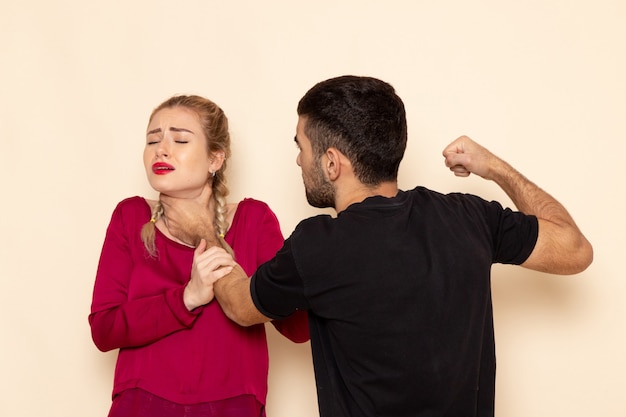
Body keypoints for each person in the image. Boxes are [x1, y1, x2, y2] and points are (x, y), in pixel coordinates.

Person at [162, 76, 593, 417]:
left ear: (332, 162)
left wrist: (205, 228)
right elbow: (575, 249)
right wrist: (492, 166)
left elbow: (240, 304)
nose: (298, 160)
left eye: (303, 148)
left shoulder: (317, 247)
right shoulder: (468, 217)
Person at [89, 94, 309, 417]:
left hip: (234, 407)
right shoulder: (129, 217)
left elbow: (298, 327)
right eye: (153, 140)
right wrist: (185, 299)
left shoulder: (253, 220)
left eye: (179, 139)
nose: (161, 149)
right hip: (141, 405)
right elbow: (104, 328)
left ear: (215, 159)